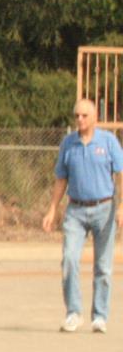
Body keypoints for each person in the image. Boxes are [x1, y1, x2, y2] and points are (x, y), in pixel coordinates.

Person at [42, 97, 123, 334]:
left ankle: (99, 316)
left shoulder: (108, 142)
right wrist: (52, 209)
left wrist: (121, 207)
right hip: (75, 210)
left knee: (103, 267)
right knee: (69, 259)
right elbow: (61, 179)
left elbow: (120, 174)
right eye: (77, 115)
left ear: (94, 117)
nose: (79, 119)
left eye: (84, 115)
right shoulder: (69, 144)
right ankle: (73, 313)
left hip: (104, 209)